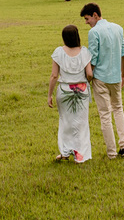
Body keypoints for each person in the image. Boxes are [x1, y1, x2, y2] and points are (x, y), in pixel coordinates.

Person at [80, 2, 124, 159]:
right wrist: (122, 75)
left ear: (95, 15)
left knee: (105, 114)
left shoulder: (94, 32)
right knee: (118, 109)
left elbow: (92, 58)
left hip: (100, 77)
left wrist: (88, 78)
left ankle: (112, 152)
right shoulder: (118, 28)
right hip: (115, 77)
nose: (87, 22)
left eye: (87, 19)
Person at [47, 24, 93, 163]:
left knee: (65, 122)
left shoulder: (59, 52)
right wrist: (86, 82)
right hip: (81, 90)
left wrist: (49, 94)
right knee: (81, 123)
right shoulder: (84, 52)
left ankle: (65, 151)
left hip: (64, 90)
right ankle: (80, 154)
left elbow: (54, 75)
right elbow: (89, 73)